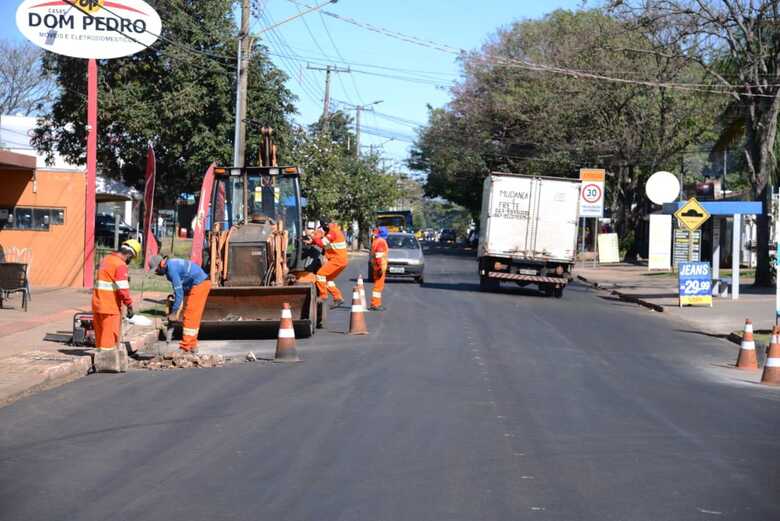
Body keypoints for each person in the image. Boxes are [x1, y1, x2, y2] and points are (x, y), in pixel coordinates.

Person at [149, 255, 211, 353]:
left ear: (161, 264)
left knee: (190, 315)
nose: (156, 273)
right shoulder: (171, 264)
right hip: (198, 284)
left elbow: (179, 293)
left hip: (200, 284)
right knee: (193, 317)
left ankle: (185, 347)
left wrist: (174, 312)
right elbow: (180, 288)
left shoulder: (171, 270)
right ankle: (192, 345)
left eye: (156, 270)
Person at [92, 239, 140, 350]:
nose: (130, 261)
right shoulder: (120, 265)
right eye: (131, 258)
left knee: (100, 338)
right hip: (110, 307)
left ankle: (100, 362)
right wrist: (129, 305)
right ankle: (107, 364)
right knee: (109, 340)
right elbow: (123, 289)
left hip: (97, 304)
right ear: (129, 254)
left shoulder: (106, 260)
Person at [311, 217, 349, 308]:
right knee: (326, 280)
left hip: (337, 260)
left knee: (320, 274)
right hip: (340, 260)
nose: (323, 229)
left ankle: (323, 296)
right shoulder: (333, 231)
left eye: (323, 227)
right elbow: (327, 247)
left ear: (327, 225)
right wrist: (312, 241)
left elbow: (322, 244)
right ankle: (338, 298)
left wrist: (314, 237)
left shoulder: (333, 232)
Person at [369, 227, 389, 311]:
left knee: (378, 286)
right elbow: (379, 256)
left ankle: (375, 303)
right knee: (378, 287)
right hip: (379, 267)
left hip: (376, 267)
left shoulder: (376, 241)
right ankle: (375, 304)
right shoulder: (381, 242)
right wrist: (380, 268)